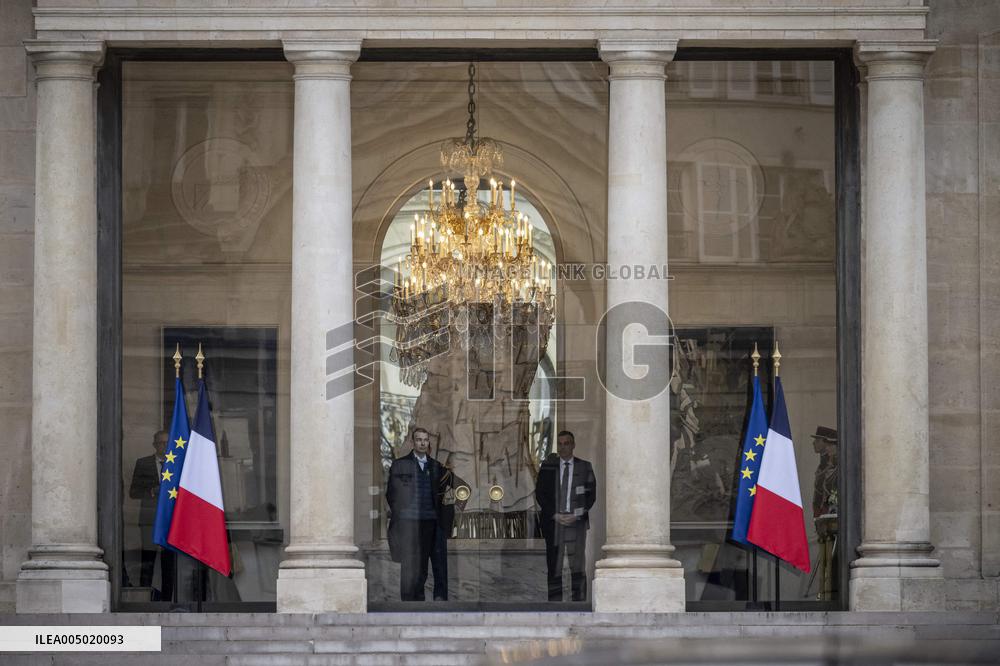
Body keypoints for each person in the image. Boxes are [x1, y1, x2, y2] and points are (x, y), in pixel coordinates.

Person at [386, 427, 458, 601]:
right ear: (413, 442)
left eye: (425, 440)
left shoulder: (436, 466)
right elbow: (391, 494)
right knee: (412, 565)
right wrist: (402, 513)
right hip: (410, 523)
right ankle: (411, 603)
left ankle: (439, 599)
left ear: (428, 443)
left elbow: (455, 486)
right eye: (419, 439)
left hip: (433, 522)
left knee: (436, 565)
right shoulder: (400, 464)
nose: (423, 443)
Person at [534, 430, 597, 602]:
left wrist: (575, 515)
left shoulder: (585, 467)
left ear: (573, 445)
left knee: (577, 566)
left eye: (567, 443)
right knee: (554, 566)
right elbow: (540, 494)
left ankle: (579, 604)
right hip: (554, 524)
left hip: (576, 524)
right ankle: (554, 605)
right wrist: (555, 515)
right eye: (560, 444)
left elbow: (590, 496)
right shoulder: (547, 468)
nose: (563, 447)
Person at [128, 429, 175, 600]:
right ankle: (145, 598)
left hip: (171, 520)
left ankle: (168, 600)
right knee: (148, 559)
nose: (164, 445)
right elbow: (133, 492)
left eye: (167, 442)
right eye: (161, 442)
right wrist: (152, 492)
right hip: (149, 519)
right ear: (154, 445)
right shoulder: (143, 463)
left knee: (169, 562)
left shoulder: (177, 463)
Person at [429, 452, 467, 601]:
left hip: (438, 522)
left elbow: (464, 488)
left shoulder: (442, 472)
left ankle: (440, 597)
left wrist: (458, 507)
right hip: (418, 524)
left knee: (439, 564)